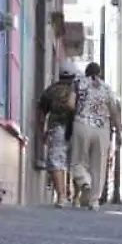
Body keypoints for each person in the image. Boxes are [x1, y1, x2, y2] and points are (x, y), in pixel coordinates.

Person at [69, 62, 120, 210]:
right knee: (99, 165)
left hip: (82, 124)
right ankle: (94, 201)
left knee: (78, 160)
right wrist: (119, 133)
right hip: (102, 129)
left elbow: (71, 104)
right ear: (100, 73)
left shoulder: (78, 83)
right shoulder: (107, 88)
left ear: (86, 72)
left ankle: (84, 181)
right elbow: (114, 112)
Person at [36, 60, 82, 207]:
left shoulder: (50, 90)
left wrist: (41, 132)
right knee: (77, 162)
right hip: (77, 128)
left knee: (57, 161)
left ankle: (61, 196)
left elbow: (41, 113)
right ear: (74, 76)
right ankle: (76, 197)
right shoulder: (80, 90)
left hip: (57, 128)